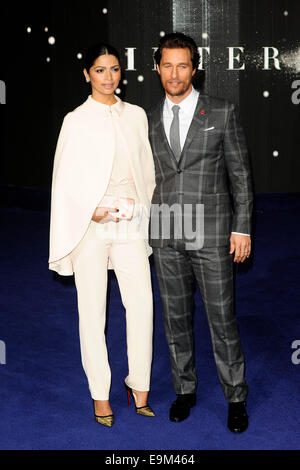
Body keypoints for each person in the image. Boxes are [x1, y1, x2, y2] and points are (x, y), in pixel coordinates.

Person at [148, 32, 253, 432]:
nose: (175, 73)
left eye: (183, 65)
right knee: (175, 318)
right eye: (168, 65)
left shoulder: (222, 111)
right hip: (166, 232)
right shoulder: (147, 117)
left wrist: (242, 228)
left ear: (196, 68)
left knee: (222, 319)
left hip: (211, 233)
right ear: (158, 68)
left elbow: (240, 174)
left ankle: (236, 395)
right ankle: (184, 390)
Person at [48, 43, 156, 427]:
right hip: (91, 226)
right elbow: (64, 180)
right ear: (86, 75)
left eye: (113, 69)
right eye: (99, 70)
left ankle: (139, 384)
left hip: (129, 224)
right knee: (92, 314)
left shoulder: (137, 115)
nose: (108, 77)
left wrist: (144, 211)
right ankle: (100, 394)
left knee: (142, 304)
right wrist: (87, 209)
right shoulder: (75, 120)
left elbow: (147, 173)